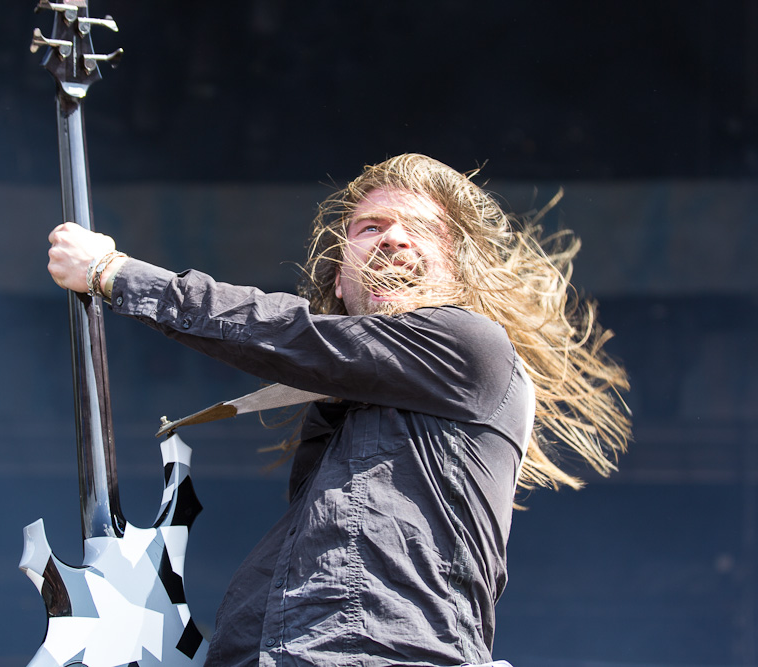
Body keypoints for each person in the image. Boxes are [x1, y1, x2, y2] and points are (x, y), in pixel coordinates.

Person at [47, 153, 631, 667]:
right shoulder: (349, 408)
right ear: (339, 272)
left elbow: (288, 333)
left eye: (421, 228)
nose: (394, 239)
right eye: (370, 226)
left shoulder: (469, 344)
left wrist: (113, 274)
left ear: (456, 269)